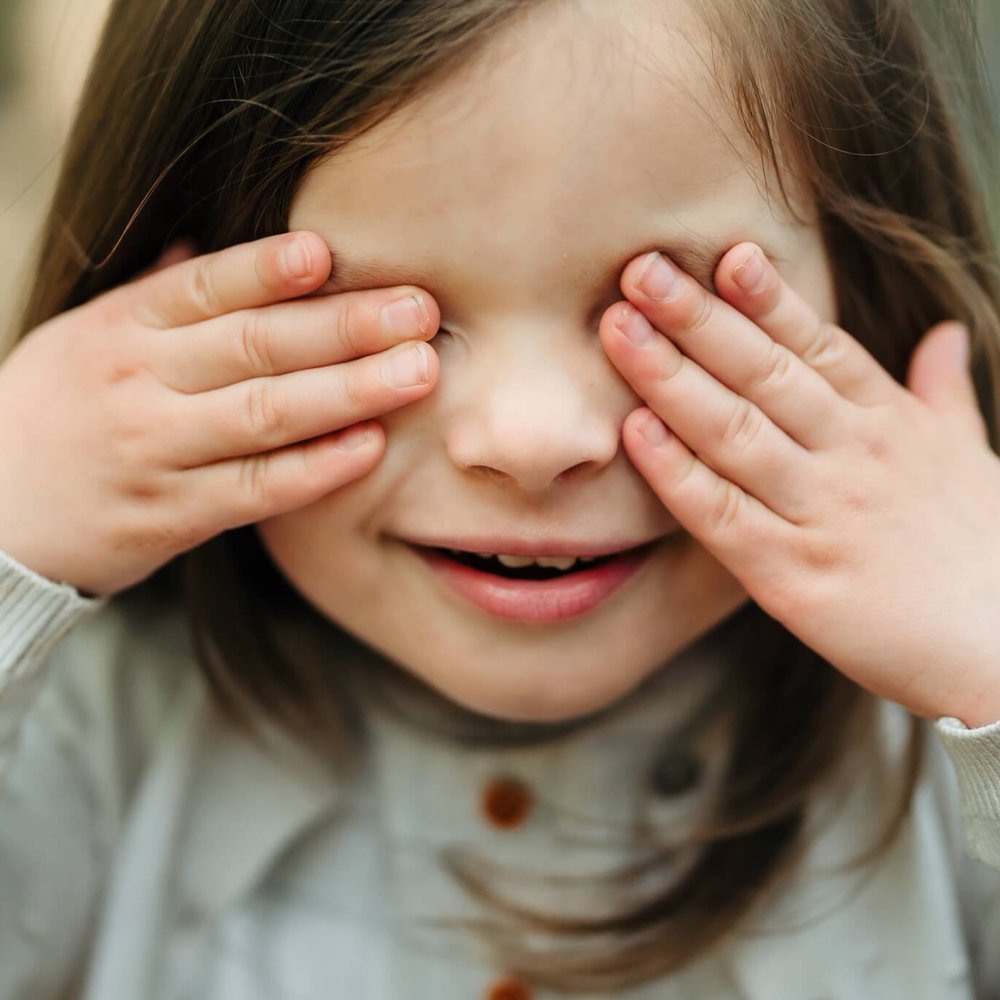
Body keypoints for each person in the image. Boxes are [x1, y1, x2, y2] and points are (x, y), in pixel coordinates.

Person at [1, 0, 999, 996]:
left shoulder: (931, 744)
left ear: (863, 285)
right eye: (386, 316)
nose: (531, 443)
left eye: (654, 306)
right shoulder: (96, 722)